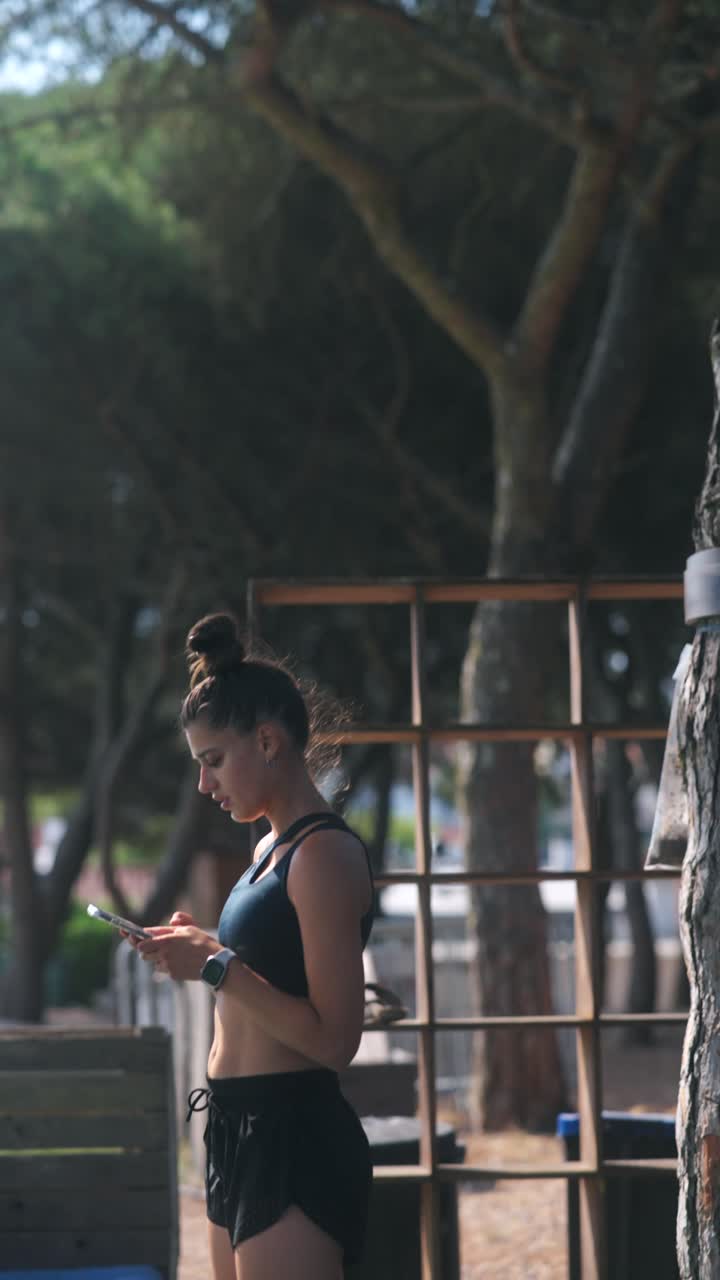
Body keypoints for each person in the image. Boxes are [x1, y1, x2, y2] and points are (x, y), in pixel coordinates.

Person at [126, 612, 375, 1280]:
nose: (205, 785)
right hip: (234, 1127)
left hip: (292, 1135)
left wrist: (213, 966)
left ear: (267, 741)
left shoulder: (322, 853)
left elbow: (335, 1040)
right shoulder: (269, 847)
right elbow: (263, 974)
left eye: (213, 762)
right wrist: (204, 946)